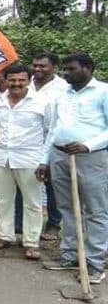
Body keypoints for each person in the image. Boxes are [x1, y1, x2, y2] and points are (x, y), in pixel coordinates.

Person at [38, 53, 108, 284]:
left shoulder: (103, 92)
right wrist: (44, 159)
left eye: (71, 69)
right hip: (60, 156)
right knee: (66, 207)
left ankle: (95, 263)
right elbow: (54, 129)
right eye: (65, 69)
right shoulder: (62, 95)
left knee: (95, 211)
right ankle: (70, 255)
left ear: (87, 68)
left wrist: (87, 145)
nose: (65, 74)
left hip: (91, 158)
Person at [0, 64, 49, 259]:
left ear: (29, 80)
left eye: (21, 80)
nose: (16, 83)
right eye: (12, 80)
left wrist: (46, 160)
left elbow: (50, 132)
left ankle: (31, 242)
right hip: (0, 157)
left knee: (33, 202)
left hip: (30, 158)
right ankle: (5, 236)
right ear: (6, 80)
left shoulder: (42, 102)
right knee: (2, 199)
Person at [29, 53, 68, 241]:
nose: (38, 69)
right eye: (35, 65)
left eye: (43, 66)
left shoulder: (63, 88)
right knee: (28, 182)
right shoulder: (25, 83)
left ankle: (53, 224)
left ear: (54, 67)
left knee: (52, 183)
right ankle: (26, 223)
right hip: (27, 142)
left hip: (52, 141)